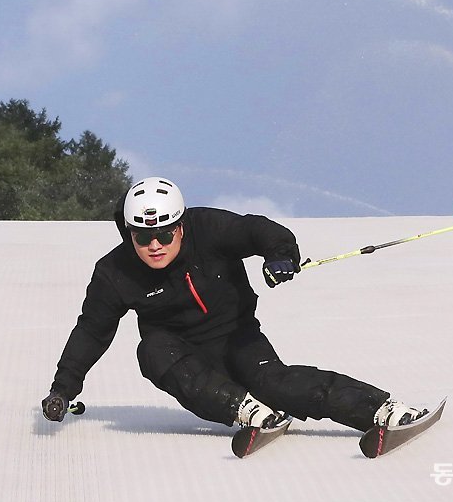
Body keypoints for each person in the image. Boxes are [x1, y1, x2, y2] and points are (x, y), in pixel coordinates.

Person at [42, 177, 427, 431]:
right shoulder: (115, 272)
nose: (154, 245)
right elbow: (92, 330)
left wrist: (280, 255)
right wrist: (63, 388)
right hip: (183, 356)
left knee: (274, 382)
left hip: (238, 338)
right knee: (151, 350)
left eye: (162, 233)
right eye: (143, 237)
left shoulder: (209, 229)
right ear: (129, 234)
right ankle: (246, 410)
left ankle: (382, 410)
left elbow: (260, 231)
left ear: (179, 226)